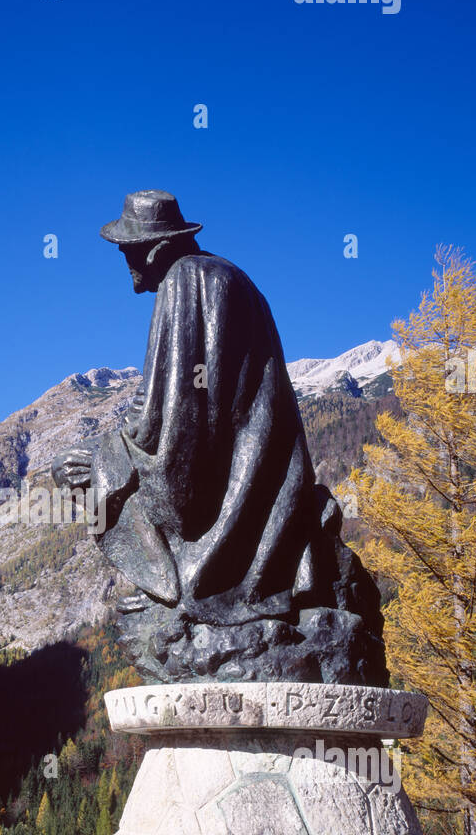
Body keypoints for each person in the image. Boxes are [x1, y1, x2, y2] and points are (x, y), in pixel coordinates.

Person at [52, 190, 387, 685]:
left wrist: (102, 459)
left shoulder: (185, 283)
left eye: (127, 250)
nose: (124, 262)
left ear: (151, 248)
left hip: (239, 498)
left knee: (89, 476)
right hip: (267, 482)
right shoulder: (228, 278)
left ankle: (182, 587)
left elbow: (178, 427)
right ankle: (177, 586)